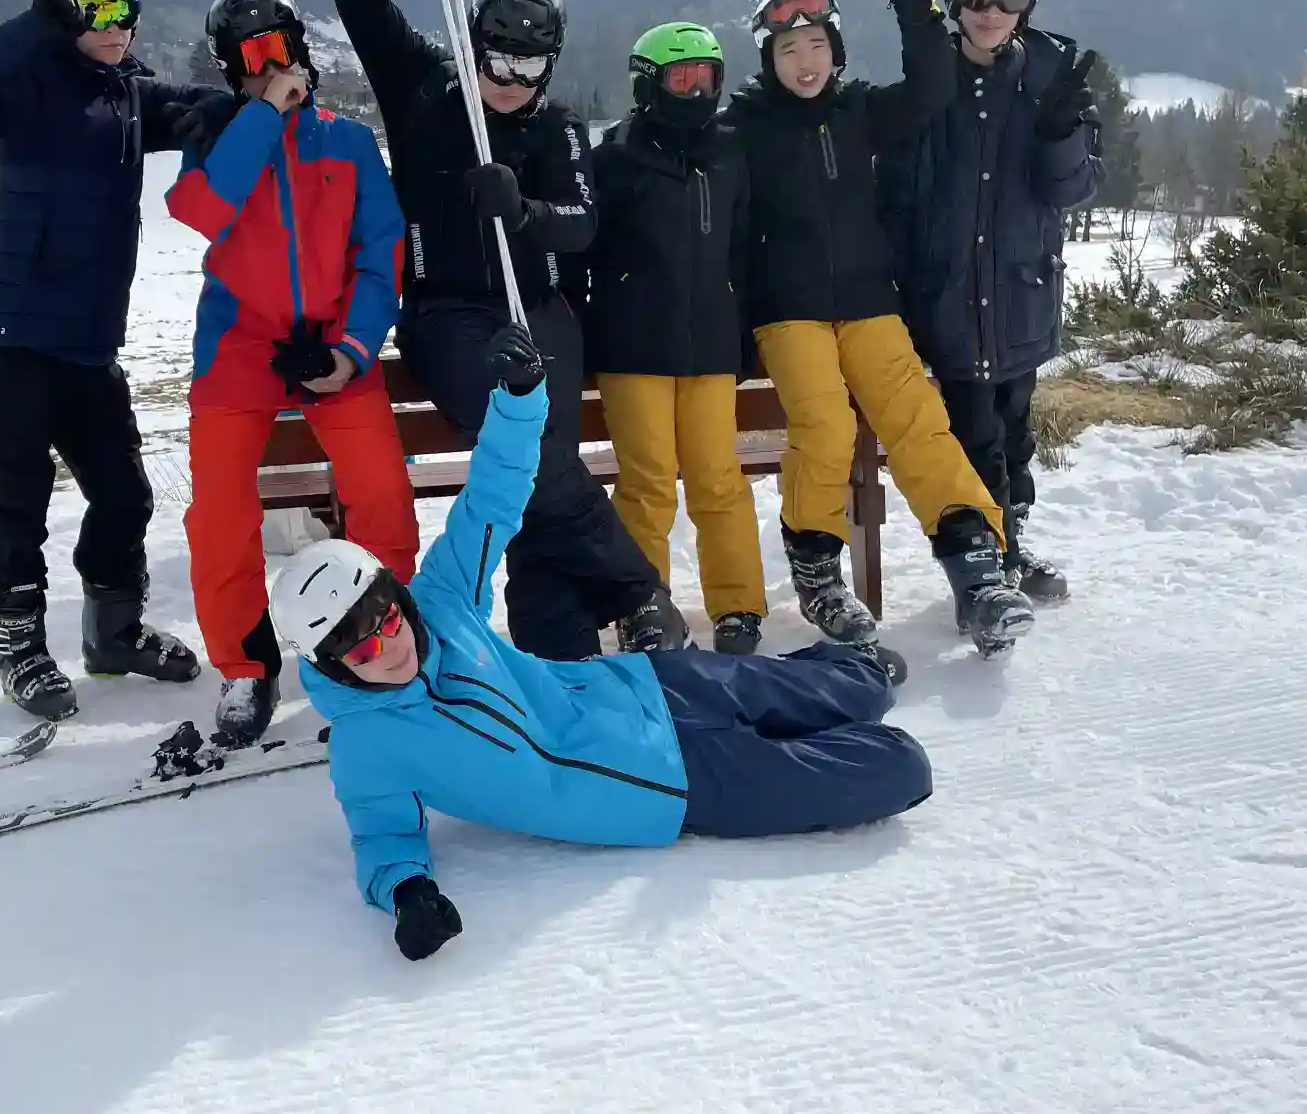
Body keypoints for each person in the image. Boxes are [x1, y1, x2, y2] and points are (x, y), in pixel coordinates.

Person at [277, 323, 932, 962]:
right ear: (333, 667)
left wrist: (520, 399)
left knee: (855, 683)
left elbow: (493, 496)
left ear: (397, 598)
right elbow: (382, 834)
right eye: (360, 650)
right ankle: (798, 729)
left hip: (657, 684)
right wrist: (407, 892)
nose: (388, 647)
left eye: (387, 620)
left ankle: (841, 675)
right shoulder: (368, 745)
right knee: (899, 766)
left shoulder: (443, 602)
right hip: (668, 785)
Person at [330, 0, 685, 663]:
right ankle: (637, 595)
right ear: (474, 41)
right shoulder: (425, 87)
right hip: (449, 313)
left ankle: (553, 647)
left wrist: (523, 211)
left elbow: (583, 223)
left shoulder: (556, 128)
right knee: (520, 447)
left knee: (541, 458)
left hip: (539, 308)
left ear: (552, 64)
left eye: (529, 66)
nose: (508, 79)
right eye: (496, 56)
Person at [0, 0, 226, 720]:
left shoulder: (124, 91)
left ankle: (114, 631)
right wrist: (35, 26)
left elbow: (193, 102)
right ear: (59, 8)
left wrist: (265, 93)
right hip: (10, 331)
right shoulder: (24, 81)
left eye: (127, 6)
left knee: (124, 492)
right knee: (19, 497)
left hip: (89, 341)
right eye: (94, 8)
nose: (115, 23)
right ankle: (19, 646)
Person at [734, 0, 1035, 659]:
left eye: (815, 46)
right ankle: (817, 570)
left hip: (871, 302)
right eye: (787, 51)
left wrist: (916, 12)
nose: (804, 63)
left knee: (919, 423)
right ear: (768, 63)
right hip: (788, 311)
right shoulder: (744, 126)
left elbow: (934, 88)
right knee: (825, 424)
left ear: (836, 52)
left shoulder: (860, 109)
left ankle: (976, 569)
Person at [167, 0, 420, 748]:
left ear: (303, 47)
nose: (272, 65)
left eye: (282, 47)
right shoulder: (218, 136)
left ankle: (386, 631)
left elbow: (382, 252)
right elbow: (202, 211)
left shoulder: (345, 140)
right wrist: (262, 116)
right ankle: (246, 667)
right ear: (229, 67)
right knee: (218, 510)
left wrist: (351, 349)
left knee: (379, 486)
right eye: (253, 55)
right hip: (239, 346)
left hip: (331, 341)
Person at [877, 0, 1102, 603]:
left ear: (1029, 4)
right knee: (970, 433)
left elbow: (1075, 190)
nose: (991, 8)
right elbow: (894, 195)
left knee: (1013, 430)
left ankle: (1014, 537)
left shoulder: (1049, 83)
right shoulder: (929, 84)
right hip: (946, 296)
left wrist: (1063, 133)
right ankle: (989, 564)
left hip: (1019, 294)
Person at [588, 23, 767, 654]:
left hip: (711, 343)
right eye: (680, 77)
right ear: (648, 83)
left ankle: (739, 606)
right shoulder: (614, 156)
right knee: (649, 481)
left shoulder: (730, 151)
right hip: (634, 344)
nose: (694, 90)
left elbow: (743, 248)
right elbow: (588, 249)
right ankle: (645, 606)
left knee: (719, 478)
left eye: (706, 77)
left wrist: (744, 332)